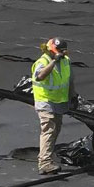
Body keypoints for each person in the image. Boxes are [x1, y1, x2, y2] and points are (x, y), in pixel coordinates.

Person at [31, 37, 74, 175]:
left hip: (59, 101)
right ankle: (44, 163)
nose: (61, 54)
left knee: (56, 129)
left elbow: (69, 80)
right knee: (48, 129)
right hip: (45, 101)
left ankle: (45, 156)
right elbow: (40, 76)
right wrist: (54, 60)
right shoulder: (43, 61)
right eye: (59, 52)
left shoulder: (66, 61)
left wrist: (72, 96)